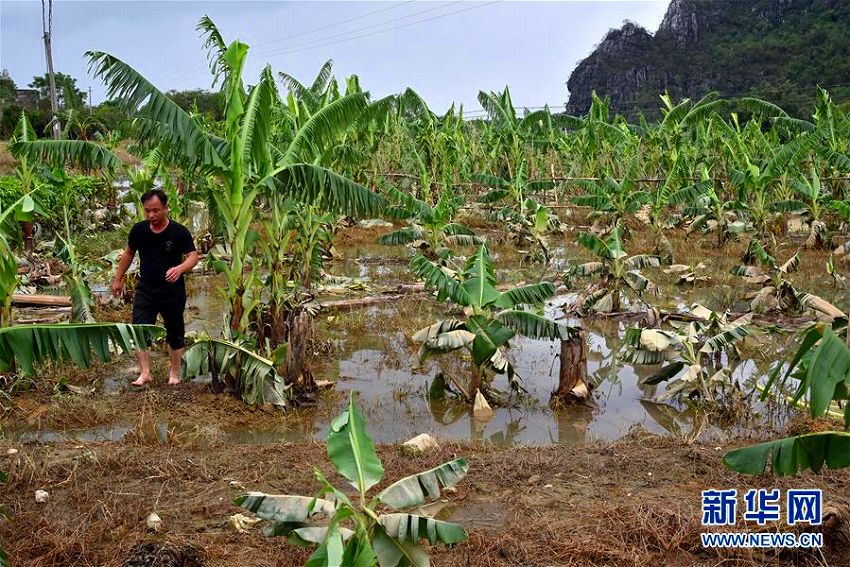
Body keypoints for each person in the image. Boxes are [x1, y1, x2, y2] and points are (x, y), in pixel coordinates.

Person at [112, 189, 199, 386]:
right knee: (140, 329)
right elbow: (128, 253)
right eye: (147, 211)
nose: (151, 215)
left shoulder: (179, 232)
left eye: (156, 210)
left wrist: (180, 268)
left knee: (175, 332)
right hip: (146, 290)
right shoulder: (139, 230)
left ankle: (174, 373)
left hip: (172, 291)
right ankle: (145, 373)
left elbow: (193, 256)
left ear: (166, 208)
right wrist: (118, 279)